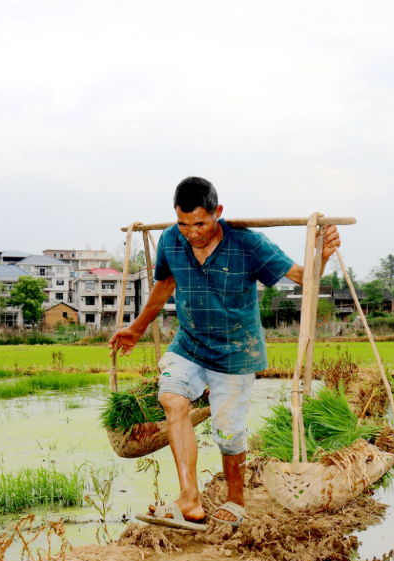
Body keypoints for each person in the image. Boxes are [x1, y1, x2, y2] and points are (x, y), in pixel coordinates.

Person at [109, 176, 341, 530]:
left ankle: (236, 500)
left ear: (217, 212)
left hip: (236, 351)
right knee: (171, 399)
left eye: (200, 224)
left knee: (228, 434)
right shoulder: (171, 240)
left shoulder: (248, 244)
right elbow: (166, 283)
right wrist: (137, 328)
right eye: (184, 224)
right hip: (188, 343)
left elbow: (303, 278)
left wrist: (320, 256)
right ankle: (190, 499)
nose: (192, 233)